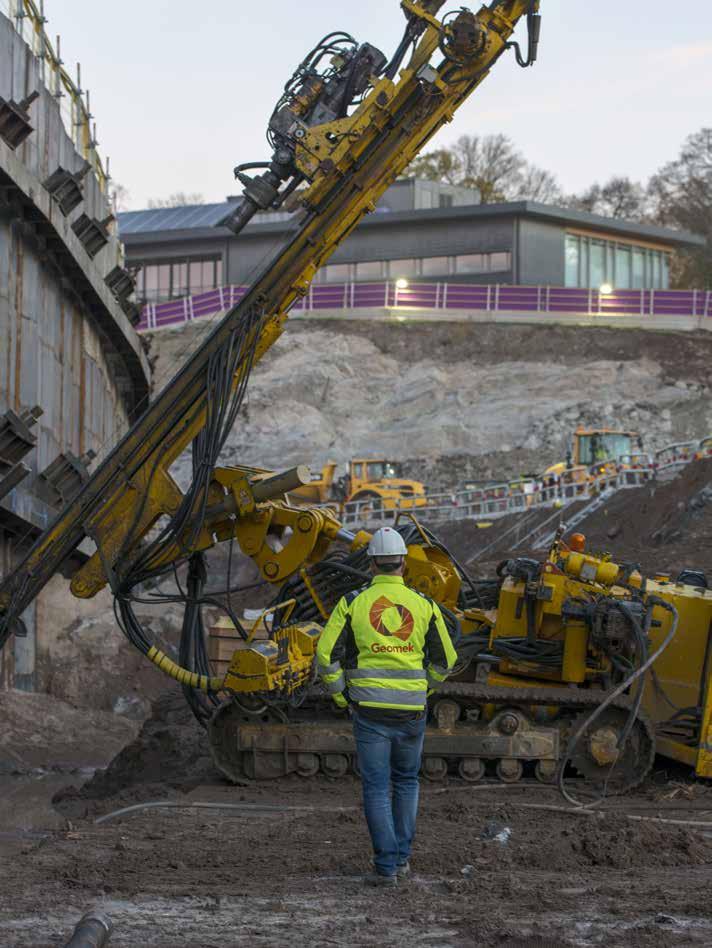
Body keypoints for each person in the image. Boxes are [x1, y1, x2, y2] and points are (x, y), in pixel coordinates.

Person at [316, 527, 458, 887]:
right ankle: (403, 860)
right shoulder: (424, 604)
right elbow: (448, 657)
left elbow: (324, 653)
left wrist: (339, 695)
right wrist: (426, 686)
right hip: (412, 712)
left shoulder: (352, 602)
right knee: (407, 782)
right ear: (403, 563)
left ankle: (386, 868)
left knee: (377, 788)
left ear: (372, 562)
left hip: (370, 713)